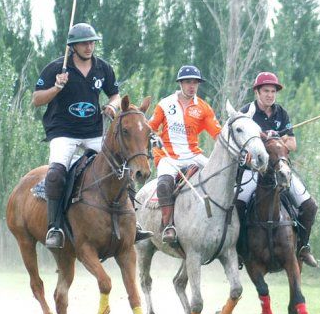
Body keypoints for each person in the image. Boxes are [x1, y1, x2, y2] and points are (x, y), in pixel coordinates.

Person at [33, 22, 129, 249]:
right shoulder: (57, 68)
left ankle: (131, 222)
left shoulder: (103, 68)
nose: (89, 47)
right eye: (84, 43)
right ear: (72, 47)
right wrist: (56, 88)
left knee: (121, 168)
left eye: (92, 42)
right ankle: (55, 227)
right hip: (63, 132)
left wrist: (113, 106)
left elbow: (115, 95)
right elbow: (36, 100)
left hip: (93, 131)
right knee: (56, 174)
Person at [236, 72, 319, 268]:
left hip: (279, 169)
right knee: (237, 205)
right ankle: (239, 250)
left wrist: (276, 139)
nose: (270, 95)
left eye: (273, 91)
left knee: (309, 206)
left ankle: (303, 248)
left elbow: (293, 143)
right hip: (253, 171)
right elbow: (238, 142)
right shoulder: (246, 112)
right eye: (266, 91)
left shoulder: (281, 113)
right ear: (257, 91)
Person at [147, 65, 221, 245]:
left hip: (193, 154)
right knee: (164, 184)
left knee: (219, 176)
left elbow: (217, 134)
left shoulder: (203, 108)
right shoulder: (165, 104)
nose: (192, 86)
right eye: (188, 82)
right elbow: (150, 128)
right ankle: (168, 226)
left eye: (195, 82)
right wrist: (153, 138)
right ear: (180, 83)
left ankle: (220, 225)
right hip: (168, 156)